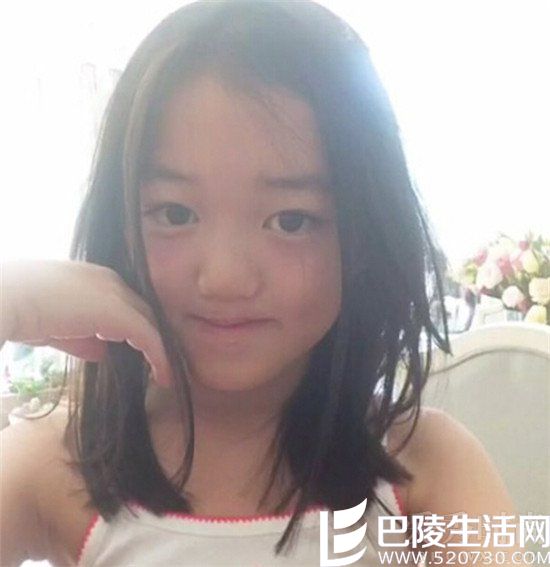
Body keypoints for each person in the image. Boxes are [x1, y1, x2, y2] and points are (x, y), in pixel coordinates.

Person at [0, 1, 525, 565]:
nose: (224, 279)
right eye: (175, 213)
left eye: (291, 220)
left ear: (367, 239)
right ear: (120, 222)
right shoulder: (58, 463)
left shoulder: (423, 464)